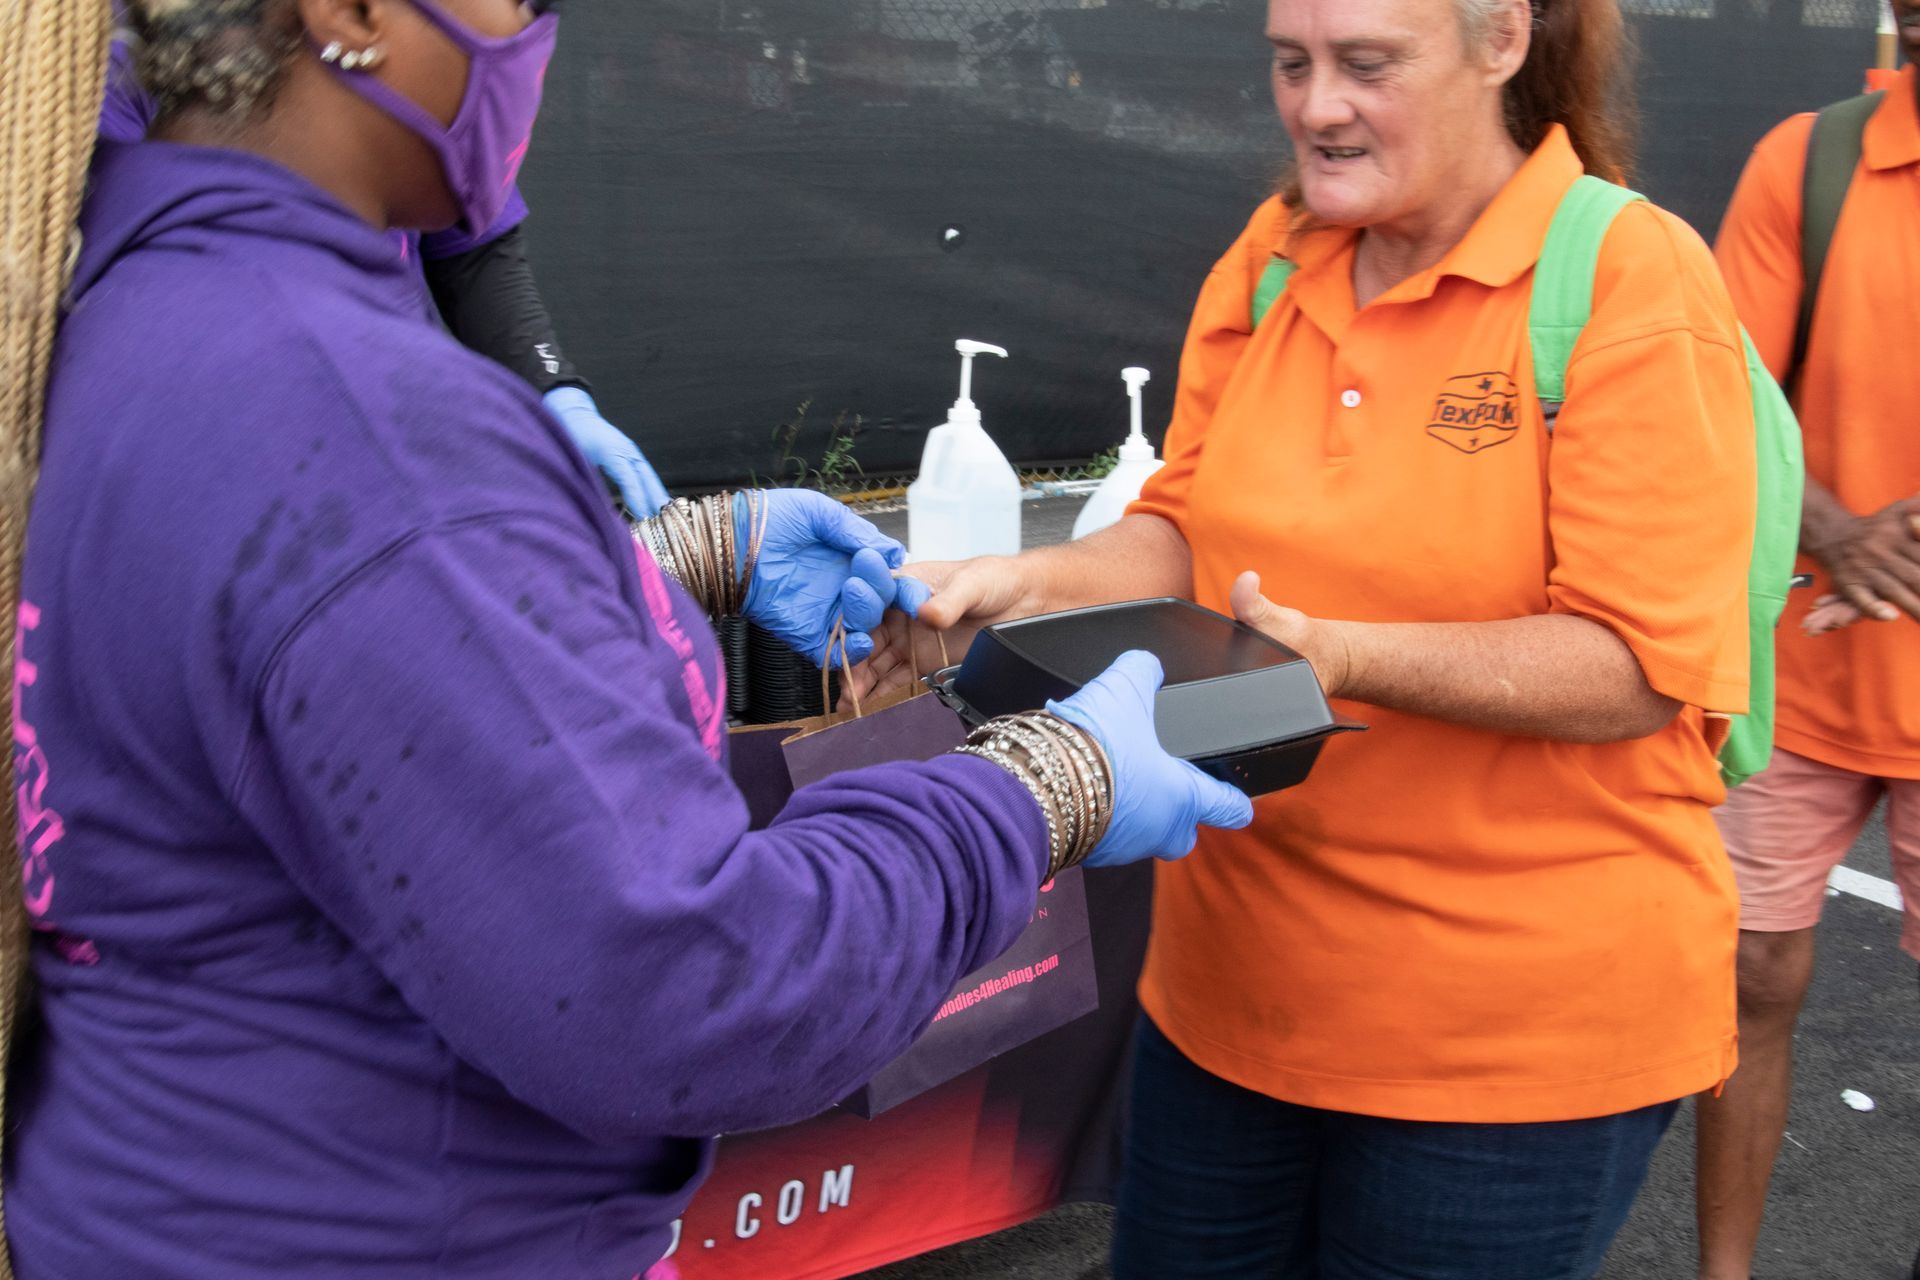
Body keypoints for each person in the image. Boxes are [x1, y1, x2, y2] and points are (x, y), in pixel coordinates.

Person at [0, 2, 1255, 1276]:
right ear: (352, 11)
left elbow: (318, 655)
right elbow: (693, 989)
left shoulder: (157, 305)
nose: (540, 34)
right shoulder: (363, 433)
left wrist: (670, 554)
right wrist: (1043, 786)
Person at [865, 0, 1757, 1275]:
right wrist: (1022, 579)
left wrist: (1340, 657)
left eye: (1367, 64)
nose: (1316, 106)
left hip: (1508, 1049)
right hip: (1227, 1002)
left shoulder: (1628, 273)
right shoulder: (1276, 255)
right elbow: (1184, 525)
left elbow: (1633, 666)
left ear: (1502, 40)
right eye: (1292, 63)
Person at [100, 0, 672, 517]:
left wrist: (554, 391)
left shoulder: (412, 137)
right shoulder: (110, 115)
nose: (531, 28)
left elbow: (475, 252)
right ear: (353, 14)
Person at [1695, 6, 1920, 1275]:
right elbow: (1722, 392)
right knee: (1747, 979)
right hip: (1798, 672)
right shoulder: (1813, 159)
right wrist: (1835, 530)